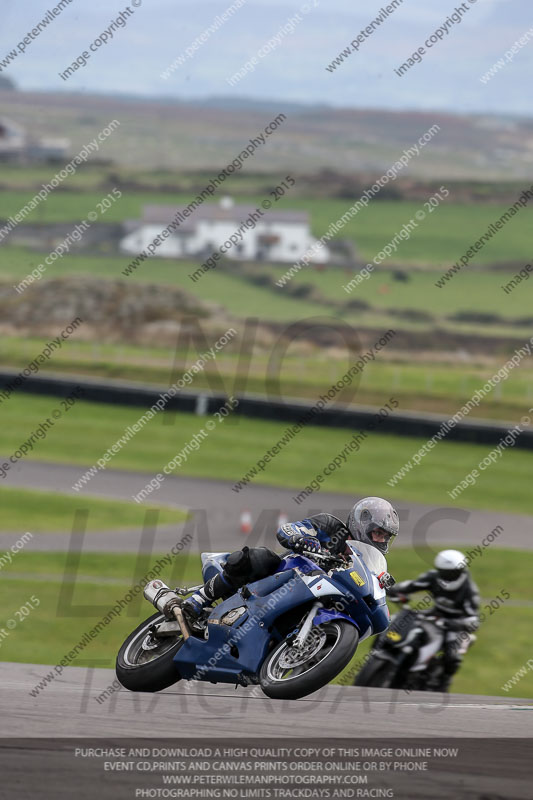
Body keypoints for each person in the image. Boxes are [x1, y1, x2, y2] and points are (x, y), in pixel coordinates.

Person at [182, 496, 399, 619]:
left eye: (385, 536)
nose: (380, 539)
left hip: (315, 596)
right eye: (377, 532)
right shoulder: (331, 526)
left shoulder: (368, 560)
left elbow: (372, 585)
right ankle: (199, 598)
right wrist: (302, 539)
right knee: (260, 557)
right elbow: (288, 529)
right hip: (285, 575)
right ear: (363, 524)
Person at [387, 549, 480, 692]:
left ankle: (444, 682)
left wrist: (456, 624)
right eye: (445, 572)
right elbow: (413, 585)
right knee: (401, 622)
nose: (449, 576)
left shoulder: (469, 589)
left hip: (455, 624)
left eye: (453, 572)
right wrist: (394, 589)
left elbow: (474, 620)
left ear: (461, 570)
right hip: (434, 614)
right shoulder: (433, 577)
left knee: (452, 657)